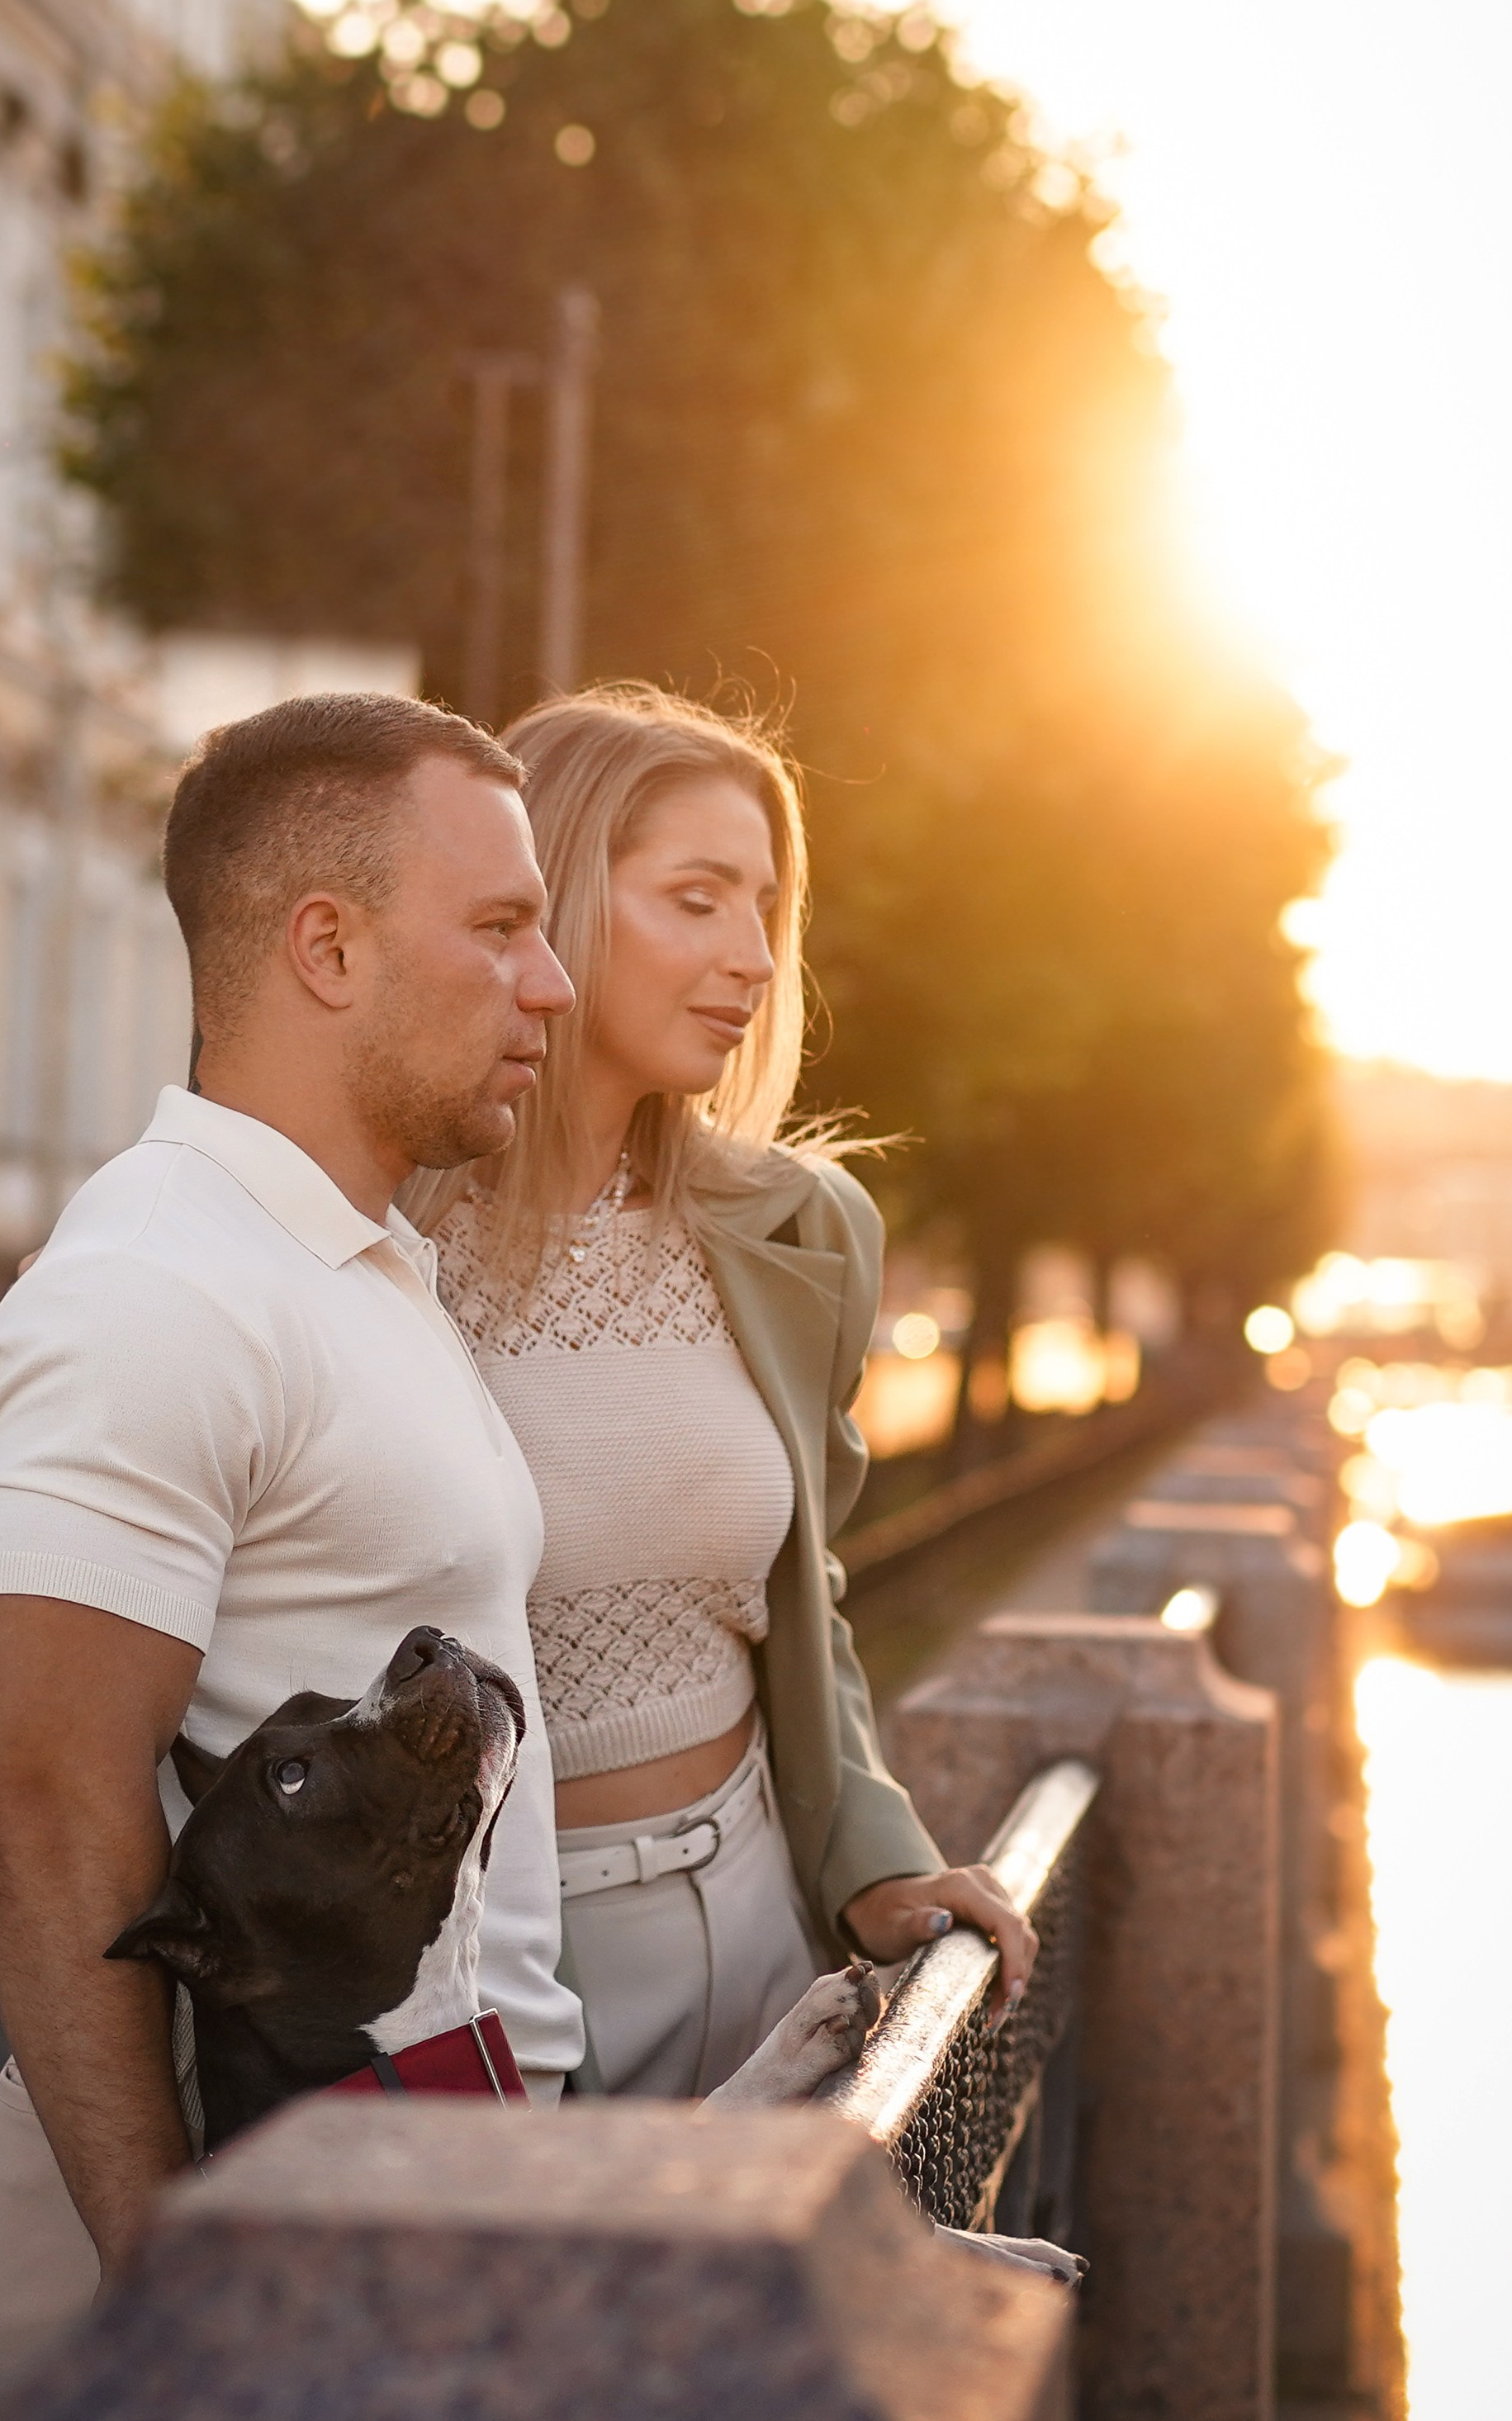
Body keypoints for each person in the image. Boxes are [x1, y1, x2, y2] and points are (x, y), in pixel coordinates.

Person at [0, 694, 585, 2375]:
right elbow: (42, 1802)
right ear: (328, 945)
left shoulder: (349, 1262)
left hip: (412, 2151)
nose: (553, 984)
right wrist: (181, 2278)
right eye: (505, 928)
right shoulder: (159, 1287)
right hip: (239, 2208)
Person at [414, 685, 1036, 2100]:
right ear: (556, 894)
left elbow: (801, 1587)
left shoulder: (803, 1233)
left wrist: (874, 1855)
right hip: (472, 1958)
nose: (754, 957)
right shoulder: (377, 1241)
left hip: (760, 1920)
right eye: (698, 899)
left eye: (765, 907)